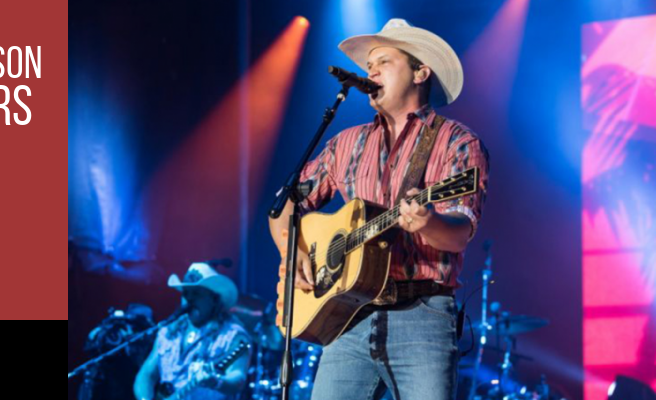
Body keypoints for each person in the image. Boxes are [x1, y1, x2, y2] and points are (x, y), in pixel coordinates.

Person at [269, 18, 490, 400]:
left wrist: (428, 221)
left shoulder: (457, 142)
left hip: (422, 315)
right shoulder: (345, 144)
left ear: (421, 72)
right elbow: (285, 204)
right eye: (368, 66)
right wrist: (297, 251)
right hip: (347, 316)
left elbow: (458, 234)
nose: (370, 71)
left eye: (383, 62)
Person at [133, 262, 250, 400]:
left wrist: (216, 382)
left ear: (214, 299)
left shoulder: (232, 336)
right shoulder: (167, 332)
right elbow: (147, 374)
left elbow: (237, 377)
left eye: (196, 293)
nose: (189, 299)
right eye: (186, 293)